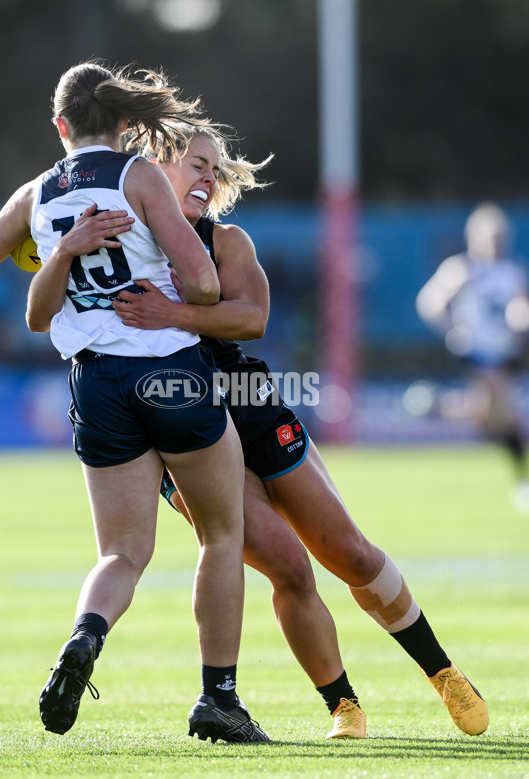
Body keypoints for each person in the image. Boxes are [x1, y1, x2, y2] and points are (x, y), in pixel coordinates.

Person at [109, 124, 489, 738]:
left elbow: (252, 318)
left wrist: (170, 313)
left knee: (350, 553)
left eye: (215, 168)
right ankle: (345, 707)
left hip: (249, 405)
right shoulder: (118, 243)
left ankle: (442, 671)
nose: (209, 176)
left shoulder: (225, 241)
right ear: (152, 168)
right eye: (196, 163)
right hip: (181, 430)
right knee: (290, 567)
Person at [0, 61, 269, 744]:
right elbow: (205, 283)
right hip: (168, 370)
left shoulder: (37, 192)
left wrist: (50, 249)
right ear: (126, 123)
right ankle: (219, 698)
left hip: (94, 382)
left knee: (122, 552)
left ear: (60, 125)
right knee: (220, 534)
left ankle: (84, 637)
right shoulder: (138, 175)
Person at [417, 202, 529, 509]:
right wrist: (451, 326)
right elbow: (429, 301)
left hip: (503, 353)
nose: (494, 243)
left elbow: (519, 307)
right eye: (489, 236)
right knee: (502, 406)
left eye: (499, 236)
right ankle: (524, 482)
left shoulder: (511, 271)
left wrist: (520, 323)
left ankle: (435, 407)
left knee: (494, 418)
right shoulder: (462, 270)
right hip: (474, 352)